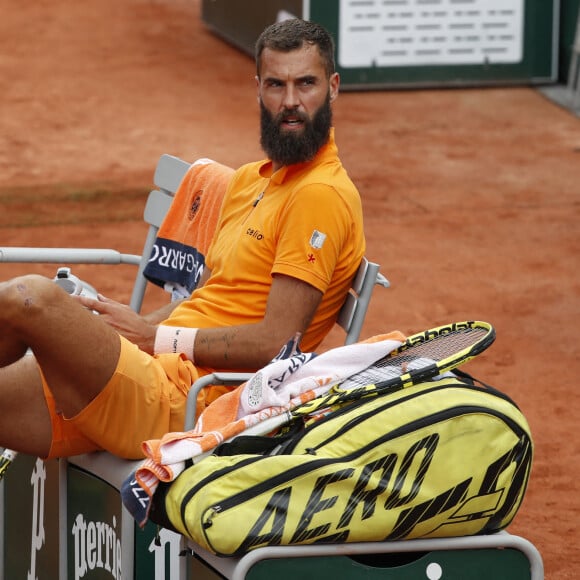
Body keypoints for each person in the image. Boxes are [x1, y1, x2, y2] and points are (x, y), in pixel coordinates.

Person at [0, 18, 365, 460]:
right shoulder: (254, 180)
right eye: (276, 85)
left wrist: (156, 338)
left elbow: (275, 343)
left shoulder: (319, 195)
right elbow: (209, 296)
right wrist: (134, 329)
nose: (290, 102)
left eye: (306, 84)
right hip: (156, 375)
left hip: (193, 402)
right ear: (258, 89)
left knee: (29, 299)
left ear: (333, 87)